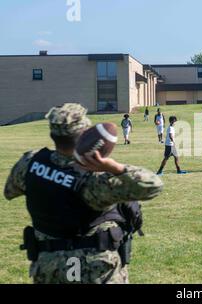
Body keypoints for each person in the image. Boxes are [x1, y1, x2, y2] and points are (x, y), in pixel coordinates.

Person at [3, 103, 163, 284]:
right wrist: (114, 167)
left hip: (49, 266)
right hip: (95, 269)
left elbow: (10, 191)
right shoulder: (96, 180)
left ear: (53, 135)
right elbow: (153, 185)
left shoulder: (30, 163)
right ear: (85, 136)